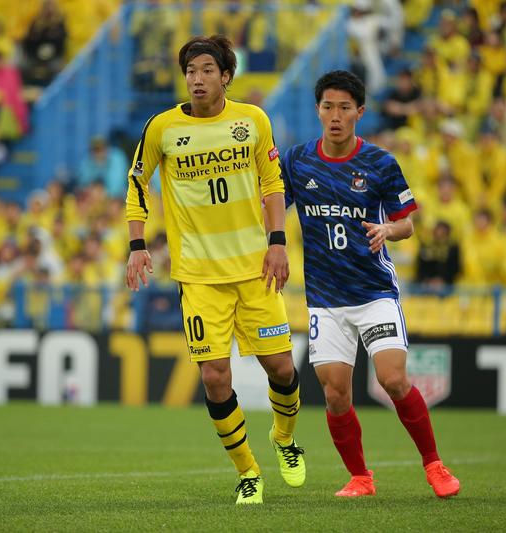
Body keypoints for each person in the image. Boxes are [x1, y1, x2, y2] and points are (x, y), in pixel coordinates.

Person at [124, 34, 304, 505]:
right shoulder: (162, 127)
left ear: (226, 76)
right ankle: (248, 472)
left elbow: (272, 184)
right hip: (198, 276)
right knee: (213, 378)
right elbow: (137, 182)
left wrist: (278, 244)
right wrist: (137, 244)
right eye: (190, 71)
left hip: (254, 270)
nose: (196, 79)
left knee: (282, 368)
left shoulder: (252, 120)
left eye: (206, 70)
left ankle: (284, 438)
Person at [281, 70, 460, 498]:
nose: (335, 115)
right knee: (335, 392)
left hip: (373, 293)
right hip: (325, 299)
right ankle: (361, 478)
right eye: (328, 107)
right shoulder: (297, 160)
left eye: (345, 107)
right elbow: (272, 206)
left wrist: (386, 231)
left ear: (360, 112)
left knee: (393, 379)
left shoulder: (380, 162)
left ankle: (434, 466)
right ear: (318, 110)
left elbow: (407, 226)